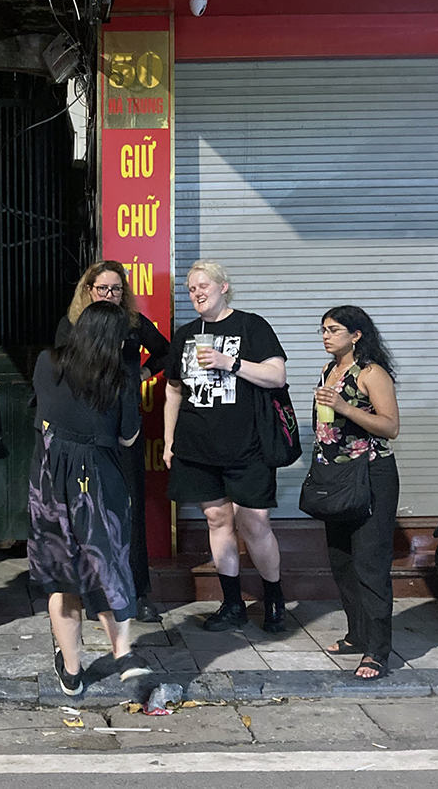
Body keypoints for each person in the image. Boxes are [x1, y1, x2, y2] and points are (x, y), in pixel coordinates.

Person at [33, 301, 155, 696]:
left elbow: (44, 414)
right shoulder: (121, 376)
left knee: (62, 573)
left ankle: (72, 672)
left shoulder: (46, 362)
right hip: (99, 478)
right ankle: (123, 654)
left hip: (51, 476)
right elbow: (128, 436)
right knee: (108, 560)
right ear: (117, 338)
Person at [163, 261, 290, 633]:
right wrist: (169, 440)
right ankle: (232, 603)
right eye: (190, 288)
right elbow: (173, 389)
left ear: (223, 288)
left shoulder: (251, 326)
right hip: (198, 446)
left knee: (255, 522)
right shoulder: (186, 334)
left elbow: (277, 375)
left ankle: (274, 598)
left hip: (248, 447)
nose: (197, 293)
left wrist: (228, 362)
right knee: (217, 519)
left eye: (204, 286)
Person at [55, 261, 169, 624]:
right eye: (102, 289)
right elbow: (59, 373)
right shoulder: (71, 325)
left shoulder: (133, 324)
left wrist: (141, 375)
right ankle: (96, 592)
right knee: (89, 513)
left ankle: (140, 592)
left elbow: (166, 351)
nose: (109, 295)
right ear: (88, 289)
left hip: (127, 431)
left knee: (129, 512)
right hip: (87, 434)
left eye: (116, 289)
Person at [314, 305, 401, 680]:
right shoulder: (330, 370)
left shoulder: (371, 373)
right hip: (336, 476)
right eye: (322, 330)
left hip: (371, 473)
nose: (326, 336)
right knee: (341, 560)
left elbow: (390, 426)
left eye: (333, 329)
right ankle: (357, 634)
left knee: (370, 561)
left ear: (357, 334)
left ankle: (379, 650)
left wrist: (345, 407)